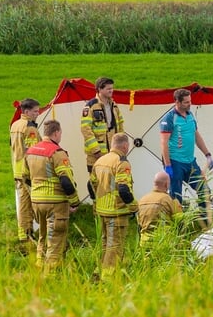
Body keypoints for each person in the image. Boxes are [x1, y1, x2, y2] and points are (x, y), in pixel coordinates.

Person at [25, 119, 76, 269]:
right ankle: (51, 277)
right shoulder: (58, 153)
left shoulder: (31, 151)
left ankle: (39, 268)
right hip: (56, 204)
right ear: (56, 133)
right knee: (55, 241)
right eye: (60, 133)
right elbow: (66, 181)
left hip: (36, 202)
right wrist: (75, 201)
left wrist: (35, 194)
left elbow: (25, 177)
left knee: (42, 237)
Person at [158, 88, 213, 216]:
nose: (190, 104)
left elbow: (196, 135)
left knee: (203, 189)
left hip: (190, 161)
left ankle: (204, 220)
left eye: (190, 101)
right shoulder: (169, 119)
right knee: (176, 196)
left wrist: (207, 154)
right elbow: (164, 143)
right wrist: (168, 165)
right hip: (175, 162)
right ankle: (177, 224)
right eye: (186, 102)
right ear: (177, 102)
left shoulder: (190, 115)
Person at [93, 132, 138, 269]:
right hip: (116, 211)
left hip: (102, 210)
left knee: (106, 244)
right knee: (115, 246)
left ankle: (99, 271)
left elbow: (91, 184)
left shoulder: (100, 160)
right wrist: (134, 207)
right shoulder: (121, 162)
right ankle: (108, 279)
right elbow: (123, 189)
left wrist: (97, 201)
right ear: (125, 146)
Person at [8, 98, 43, 242]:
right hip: (28, 171)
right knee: (36, 202)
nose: (38, 114)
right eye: (35, 111)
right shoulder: (30, 127)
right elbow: (33, 152)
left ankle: (24, 234)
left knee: (23, 204)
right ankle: (43, 232)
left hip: (17, 169)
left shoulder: (15, 124)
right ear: (27, 111)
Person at [80, 77, 126, 165]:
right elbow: (85, 129)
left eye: (112, 88)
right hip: (96, 156)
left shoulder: (114, 106)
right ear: (99, 89)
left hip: (113, 153)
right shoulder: (90, 107)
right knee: (96, 178)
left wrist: (120, 146)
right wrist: (96, 151)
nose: (111, 91)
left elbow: (120, 125)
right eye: (108, 89)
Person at [135, 171, 185, 248]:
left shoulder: (142, 200)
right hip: (163, 244)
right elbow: (180, 222)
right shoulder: (170, 200)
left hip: (145, 244)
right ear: (166, 184)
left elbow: (139, 224)